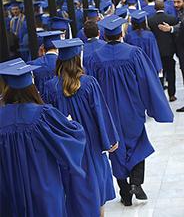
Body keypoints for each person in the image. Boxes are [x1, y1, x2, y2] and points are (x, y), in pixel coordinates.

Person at [86, 14, 174, 206]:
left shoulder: (94, 59)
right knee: (138, 143)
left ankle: (124, 192)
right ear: (121, 34)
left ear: (104, 35)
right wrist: (154, 106)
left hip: (108, 113)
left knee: (115, 149)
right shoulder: (134, 53)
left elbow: (90, 90)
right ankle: (136, 182)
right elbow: (147, 81)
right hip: (132, 109)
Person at [0, 58, 86, 217]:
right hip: (44, 189)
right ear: (31, 87)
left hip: (10, 191)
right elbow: (74, 136)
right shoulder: (43, 115)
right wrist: (69, 123)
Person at [44, 38, 119, 216]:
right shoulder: (89, 83)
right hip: (91, 147)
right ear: (78, 60)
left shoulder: (49, 87)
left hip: (66, 151)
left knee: (71, 195)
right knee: (96, 193)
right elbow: (100, 114)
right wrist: (109, 141)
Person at [158, 0, 184, 111]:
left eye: (178, 2)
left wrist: (171, 29)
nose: (175, 5)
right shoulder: (179, 13)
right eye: (174, 2)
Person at [148, 0, 177, 101]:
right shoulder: (172, 19)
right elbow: (175, 36)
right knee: (171, 73)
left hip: (157, 53)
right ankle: (172, 94)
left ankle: (160, 94)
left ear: (154, 8)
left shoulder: (150, 21)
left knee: (160, 74)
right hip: (169, 52)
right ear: (164, 7)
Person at [124, 10, 163, 74]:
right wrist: (158, 66)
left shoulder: (129, 36)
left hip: (135, 67)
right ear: (144, 22)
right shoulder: (150, 35)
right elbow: (154, 51)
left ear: (132, 23)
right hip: (149, 66)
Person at [28, 31, 62, 97]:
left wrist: (40, 57)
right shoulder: (64, 62)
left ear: (43, 47)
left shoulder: (33, 65)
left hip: (42, 101)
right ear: (58, 47)